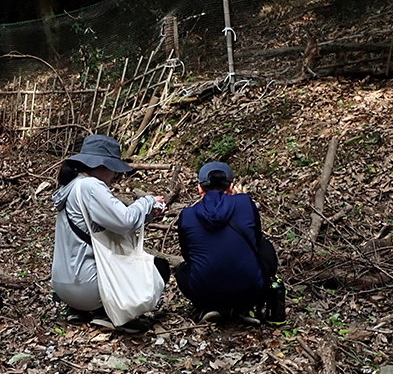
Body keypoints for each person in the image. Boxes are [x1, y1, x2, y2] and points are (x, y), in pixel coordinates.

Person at [51, 134, 169, 334]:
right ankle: (110, 315)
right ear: (102, 166)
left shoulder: (71, 187)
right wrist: (148, 201)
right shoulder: (90, 186)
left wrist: (147, 216)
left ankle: (83, 310)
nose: (115, 175)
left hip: (63, 287)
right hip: (86, 287)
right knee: (160, 268)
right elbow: (125, 221)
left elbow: (111, 227)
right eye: (113, 168)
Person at [175, 162, 270, 325]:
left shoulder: (187, 215)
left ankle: (207, 307)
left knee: (182, 270)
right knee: (265, 248)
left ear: (199, 188)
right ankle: (248, 306)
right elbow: (255, 239)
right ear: (231, 186)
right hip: (251, 288)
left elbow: (188, 255)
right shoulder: (245, 203)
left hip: (204, 291)